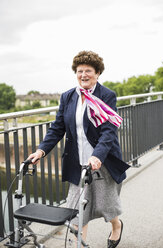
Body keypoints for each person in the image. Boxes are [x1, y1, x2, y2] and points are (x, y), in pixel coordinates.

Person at [28, 51, 130, 248]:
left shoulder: (106, 95)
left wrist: (97, 155)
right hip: (77, 163)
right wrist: (40, 151)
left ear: (98, 73)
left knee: (106, 206)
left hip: (102, 161)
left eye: (88, 71)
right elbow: (58, 128)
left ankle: (116, 226)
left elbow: (109, 131)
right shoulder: (68, 97)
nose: (83, 74)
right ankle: (79, 245)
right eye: (79, 71)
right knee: (75, 211)